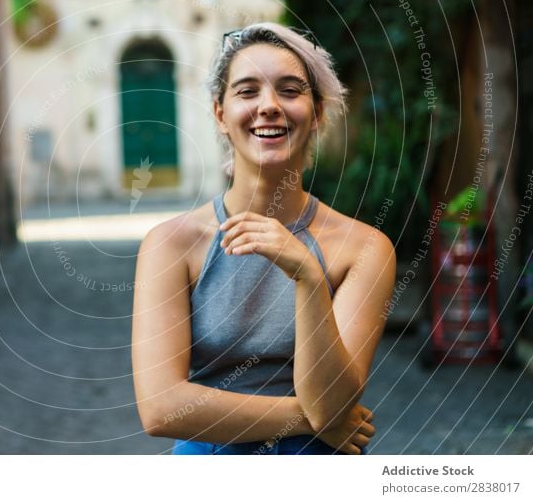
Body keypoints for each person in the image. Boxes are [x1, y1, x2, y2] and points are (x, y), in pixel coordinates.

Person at [132, 23, 396, 455]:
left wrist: (308, 276)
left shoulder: (365, 248)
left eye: (290, 90)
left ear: (318, 113)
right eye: (247, 91)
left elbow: (333, 400)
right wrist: (311, 419)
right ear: (220, 114)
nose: (269, 105)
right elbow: (161, 409)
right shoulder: (170, 244)